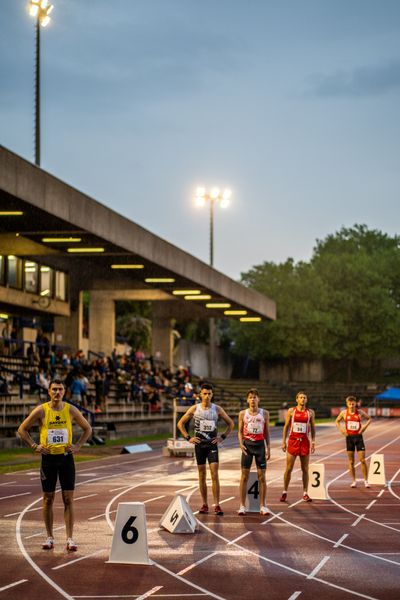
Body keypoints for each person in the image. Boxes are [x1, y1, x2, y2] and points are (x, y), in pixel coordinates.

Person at [17, 378, 92, 551]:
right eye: (54, 389)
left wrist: (78, 445)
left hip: (66, 459)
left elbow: (87, 428)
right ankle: (49, 537)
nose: (57, 392)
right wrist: (34, 446)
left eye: (60, 389)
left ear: (64, 392)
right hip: (48, 460)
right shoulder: (41, 410)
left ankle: (70, 538)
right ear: (49, 391)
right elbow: (22, 429)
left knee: (68, 499)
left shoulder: (71, 409)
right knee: (48, 499)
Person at [177, 382, 234, 515]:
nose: (207, 396)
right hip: (199, 445)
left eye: (209, 394)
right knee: (202, 475)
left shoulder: (217, 409)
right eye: (205, 394)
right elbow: (180, 423)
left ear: (212, 394)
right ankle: (204, 504)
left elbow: (230, 423)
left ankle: (217, 504)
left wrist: (222, 437)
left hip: (212, 445)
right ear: (200, 395)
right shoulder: (194, 409)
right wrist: (188, 438)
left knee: (214, 474)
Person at [237, 388, 271, 516]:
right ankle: (242, 505)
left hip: (260, 447)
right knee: (244, 476)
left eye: (255, 397)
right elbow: (240, 431)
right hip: (247, 446)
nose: (253, 400)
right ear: (247, 400)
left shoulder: (264, 413)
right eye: (250, 397)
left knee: (262, 477)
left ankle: (263, 506)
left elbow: (267, 432)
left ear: (259, 399)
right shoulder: (242, 414)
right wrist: (241, 444)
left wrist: (269, 447)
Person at [281, 391, 316, 502]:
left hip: (305, 442)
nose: (302, 399)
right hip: (293, 441)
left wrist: (313, 442)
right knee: (289, 468)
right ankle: (284, 491)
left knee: (305, 469)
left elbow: (313, 428)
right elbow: (286, 426)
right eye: (300, 397)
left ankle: (305, 493)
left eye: (304, 397)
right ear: (297, 399)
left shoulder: (310, 412)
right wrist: (283, 441)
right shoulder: (291, 411)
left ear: (306, 400)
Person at [335, 395, 371, 488]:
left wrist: (364, 427)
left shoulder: (360, 413)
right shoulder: (344, 413)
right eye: (350, 403)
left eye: (353, 403)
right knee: (351, 461)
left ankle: (365, 481)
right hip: (349, 438)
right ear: (347, 404)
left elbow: (369, 419)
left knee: (362, 460)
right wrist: (342, 430)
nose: (351, 405)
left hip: (359, 438)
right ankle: (354, 481)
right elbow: (337, 421)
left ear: (355, 403)